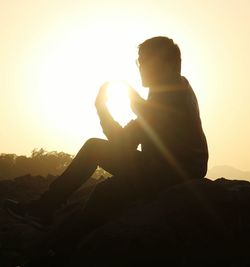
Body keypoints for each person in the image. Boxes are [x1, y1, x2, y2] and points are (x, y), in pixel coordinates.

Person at [3, 36, 208, 230]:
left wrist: (111, 104)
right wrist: (110, 107)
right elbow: (127, 140)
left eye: (146, 61)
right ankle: (46, 210)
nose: (141, 67)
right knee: (99, 167)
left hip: (170, 173)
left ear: (168, 64)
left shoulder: (169, 99)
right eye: (140, 61)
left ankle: (44, 210)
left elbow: (124, 142)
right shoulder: (174, 89)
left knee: (95, 152)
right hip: (170, 167)